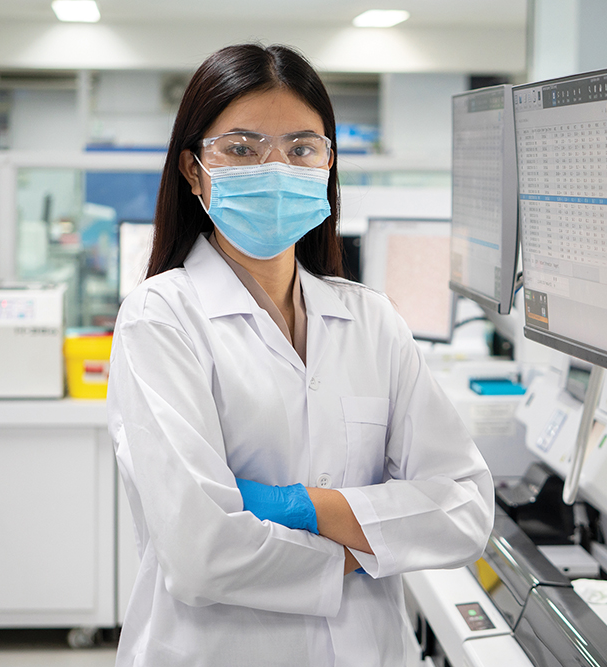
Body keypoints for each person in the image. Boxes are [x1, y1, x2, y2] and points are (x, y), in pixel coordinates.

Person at [106, 43, 495, 667]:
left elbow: (466, 509)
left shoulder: (371, 320)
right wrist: (374, 544)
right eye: (240, 148)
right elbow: (202, 555)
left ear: (327, 163)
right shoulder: (162, 317)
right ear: (192, 169)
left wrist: (304, 507)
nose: (276, 169)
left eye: (301, 148)